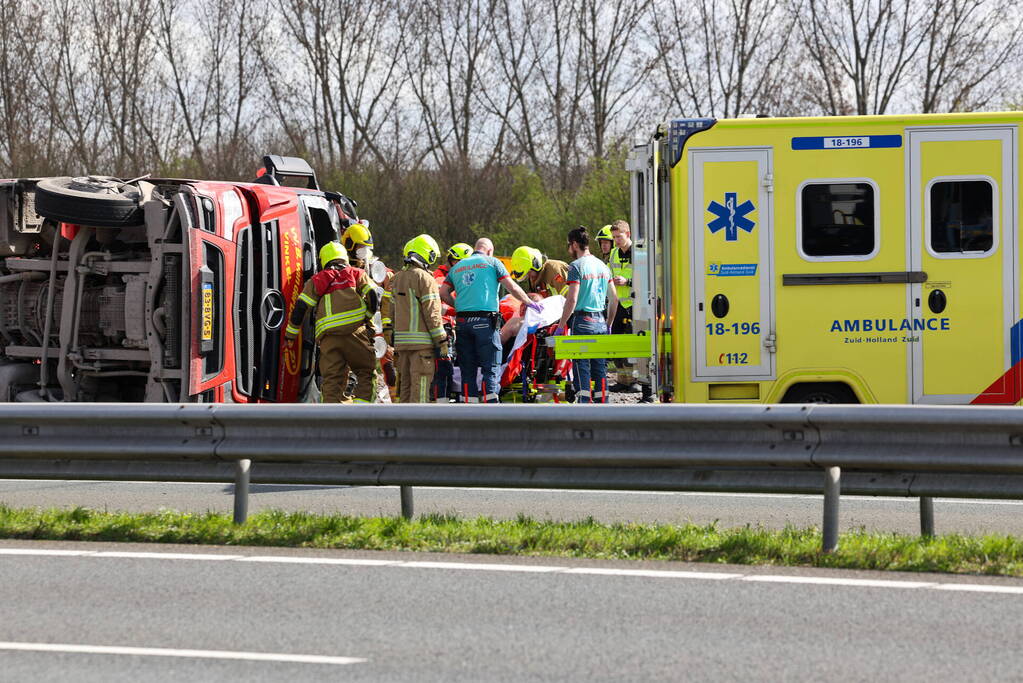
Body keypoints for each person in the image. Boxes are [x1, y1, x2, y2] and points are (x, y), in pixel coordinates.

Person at [439, 237, 539, 403]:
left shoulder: (457, 267)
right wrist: (530, 303)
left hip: (462, 323)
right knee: (490, 367)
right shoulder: (493, 263)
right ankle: (490, 408)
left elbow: (443, 293)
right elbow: (512, 287)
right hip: (485, 322)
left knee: (467, 369)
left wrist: (460, 306)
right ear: (490, 251)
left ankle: (468, 409)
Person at [285, 242, 378, 403]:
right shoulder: (356, 273)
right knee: (365, 372)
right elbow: (372, 296)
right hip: (355, 333)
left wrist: (290, 336)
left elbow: (301, 308)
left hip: (329, 339)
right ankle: (363, 413)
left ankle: (331, 421)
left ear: (324, 260)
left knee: (332, 380)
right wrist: (367, 316)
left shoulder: (317, 280)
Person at [556, 227, 618, 404]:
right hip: (599, 320)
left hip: (582, 321)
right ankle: (602, 404)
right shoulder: (603, 266)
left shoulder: (575, 266)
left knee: (581, 364)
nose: (569, 249)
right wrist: (609, 324)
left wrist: (561, 326)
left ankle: (584, 407)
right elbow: (614, 299)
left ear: (575, 244)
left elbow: (572, 299)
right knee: (599, 366)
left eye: (569, 245)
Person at [342, 221, 396, 401]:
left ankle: (398, 407)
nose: (363, 253)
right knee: (348, 377)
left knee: (389, 371)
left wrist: (386, 325)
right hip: (352, 330)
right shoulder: (341, 271)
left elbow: (389, 289)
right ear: (349, 245)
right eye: (360, 248)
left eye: (366, 249)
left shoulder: (376, 269)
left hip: (375, 328)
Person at [391, 234, 448, 403]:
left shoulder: (397, 278)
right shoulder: (425, 278)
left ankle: (403, 427)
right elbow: (432, 314)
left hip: (402, 346)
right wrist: (442, 341)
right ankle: (418, 428)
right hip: (422, 347)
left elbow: (391, 311)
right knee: (420, 391)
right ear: (426, 254)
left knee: (405, 391)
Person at [431, 242, 472, 402]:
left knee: (449, 367)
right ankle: (442, 404)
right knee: (444, 368)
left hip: (450, 328)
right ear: (455, 261)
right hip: (443, 329)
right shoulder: (440, 278)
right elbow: (445, 306)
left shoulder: (452, 276)